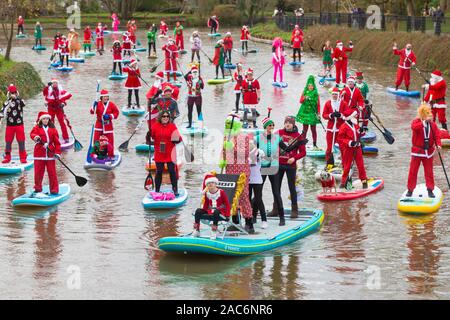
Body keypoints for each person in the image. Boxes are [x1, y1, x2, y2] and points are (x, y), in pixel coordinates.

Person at [220, 113, 254, 233]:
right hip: (229, 169)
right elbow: (223, 151)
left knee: (243, 195)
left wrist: (232, 147)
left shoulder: (243, 136)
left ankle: (249, 221)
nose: (227, 126)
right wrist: (222, 160)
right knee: (231, 196)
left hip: (241, 170)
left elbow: (244, 154)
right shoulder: (226, 136)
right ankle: (234, 221)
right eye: (226, 124)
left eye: (230, 124)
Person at [255, 117, 291, 226]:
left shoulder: (277, 138)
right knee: (258, 193)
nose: (272, 127)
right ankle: (253, 216)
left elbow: (287, 149)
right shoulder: (258, 138)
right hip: (261, 168)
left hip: (274, 168)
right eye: (270, 125)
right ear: (265, 127)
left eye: (273, 126)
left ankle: (282, 217)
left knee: (276, 192)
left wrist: (296, 144)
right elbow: (253, 152)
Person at [406, 104, 442, 198]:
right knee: (413, 171)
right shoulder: (416, 122)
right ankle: (410, 189)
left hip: (428, 152)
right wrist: (423, 122)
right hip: (417, 152)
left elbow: (437, 135)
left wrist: (438, 144)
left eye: (430, 114)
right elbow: (414, 128)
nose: (430, 116)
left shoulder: (433, 125)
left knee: (429, 172)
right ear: (422, 114)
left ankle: (430, 189)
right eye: (427, 114)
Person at [276, 116, 307, 218]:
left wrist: (294, 158)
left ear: (293, 124)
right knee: (276, 187)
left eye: (289, 122)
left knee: (291, 187)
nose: (287, 124)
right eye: (286, 122)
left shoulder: (298, 136)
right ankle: (276, 208)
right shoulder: (279, 132)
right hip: (279, 164)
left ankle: (295, 210)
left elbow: (303, 152)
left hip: (291, 165)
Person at [151, 110, 182, 196]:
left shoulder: (172, 126)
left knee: (172, 171)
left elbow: (179, 139)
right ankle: (157, 190)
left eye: (167, 116)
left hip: (170, 152)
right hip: (159, 152)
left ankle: (175, 189)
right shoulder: (155, 126)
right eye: (164, 116)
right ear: (160, 117)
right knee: (159, 171)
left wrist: (177, 139)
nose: (165, 118)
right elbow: (152, 137)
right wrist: (148, 135)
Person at [30, 111, 61, 195]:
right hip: (39, 153)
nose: (46, 120)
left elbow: (57, 143)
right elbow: (32, 134)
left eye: (47, 118)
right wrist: (36, 137)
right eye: (44, 118)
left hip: (50, 154)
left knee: (52, 173)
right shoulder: (36, 128)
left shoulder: (53, 129)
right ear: (41, 120)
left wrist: (58, 153)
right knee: (38, 173)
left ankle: (54, 190)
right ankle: (38, 188)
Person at [337, 109, 368, 190]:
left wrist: (362, 131)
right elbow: (340, 139)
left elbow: (358, 133)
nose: (356, 116)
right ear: (350, 117)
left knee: (360, 165)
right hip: (348, 149)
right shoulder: (343, 127)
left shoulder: (355, 124)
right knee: (347, 166)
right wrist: (350, 142)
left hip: (357, 148)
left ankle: (364, 181)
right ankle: (343, 182)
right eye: (354, 115)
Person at [193, 174, 230, 240]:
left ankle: (214, 231)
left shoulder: (221, 192)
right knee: (198, 211)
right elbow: (206, 204)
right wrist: (202, 211)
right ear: (207, 185)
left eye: (212, 182)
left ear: (215, 184)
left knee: (216, 211)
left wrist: (227, 215)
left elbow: (227, 204)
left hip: (220, 212)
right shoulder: (207, 193)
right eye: (209, 183)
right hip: (210, 211)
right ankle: (197, 229)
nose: (210, 184)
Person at [0, 85, 27, 164]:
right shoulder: (6, 102)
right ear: (9, 93)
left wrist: (16, 98)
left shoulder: (20, 100)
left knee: (21, 141)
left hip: (19, 125)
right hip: (9, 125)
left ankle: (23, 158)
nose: (13, 94)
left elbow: (23, 104)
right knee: (8, 142)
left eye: (14, 92)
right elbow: (2, 112)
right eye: (12, 93)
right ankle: (7, 158)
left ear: (16, 92)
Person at [322, 87, 349, 168]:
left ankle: (345, 164)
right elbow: (324, 115)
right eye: (333, 94)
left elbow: (347, 114)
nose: (334, 96)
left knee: (342, 147)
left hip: (341, 129)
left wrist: (340, 115)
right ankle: (330, 164)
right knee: (329, 148)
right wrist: (330, 115)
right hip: (330, 129)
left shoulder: (343, 103)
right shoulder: (328, 103)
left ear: (338, 95)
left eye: (336, 94)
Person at [90, 89, 119, 158]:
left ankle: (110, 155)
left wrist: (109, 116)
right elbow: (92, 112)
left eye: (107, 96)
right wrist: (93, 106)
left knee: (110, 140)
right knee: (96, 140)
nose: (106, 98)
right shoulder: (98, 104)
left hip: (108, 124)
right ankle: (94, 154)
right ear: (101, 97)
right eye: (104, 96)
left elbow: (116, 113)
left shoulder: (111, 104)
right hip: (99, 124)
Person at [296, 75, 321, 150]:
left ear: (314, 86)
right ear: (307, 85)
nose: (310, 87)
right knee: (305, 130)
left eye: (312, 86)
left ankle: (315, 144)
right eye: (309, 86)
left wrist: (318, 113)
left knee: (313, 129)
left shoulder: (316, 93)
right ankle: (302, 145)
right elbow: (300, 101)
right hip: (305, 113)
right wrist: (304, 98)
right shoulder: (304, 92)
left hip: (313, 113)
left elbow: (318, 104)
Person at [248, 139, 267, 229]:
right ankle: (249, 219)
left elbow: (263, 157)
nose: (249, 145)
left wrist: (256, 152)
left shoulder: (259, 152)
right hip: (247, 181)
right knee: (247, 200)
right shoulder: (243, 154)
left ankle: (264, 220)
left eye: (251, 144)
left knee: (259, 199)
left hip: (257, 180)